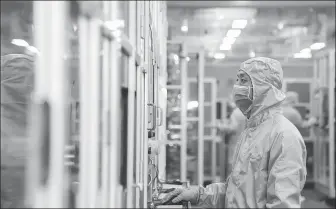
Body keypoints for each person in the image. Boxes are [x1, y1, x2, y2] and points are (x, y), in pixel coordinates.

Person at [162, 57, 307, 208]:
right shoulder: (251, 131)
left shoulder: (284, 136)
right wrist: (199, 194)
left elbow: (282, 204)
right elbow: (236, 193)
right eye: (237, 80)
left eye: (243, 81)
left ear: (263, 87)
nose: (237, 87)